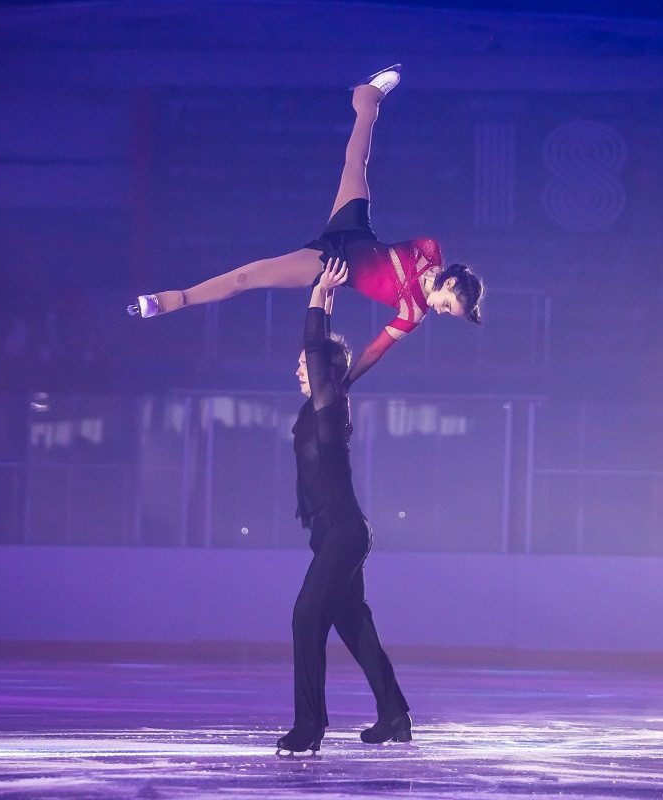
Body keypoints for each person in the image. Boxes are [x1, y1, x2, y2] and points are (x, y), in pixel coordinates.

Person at [129, 64, 485, 386]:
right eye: (448, 305)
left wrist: (345, 384)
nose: (440, 312)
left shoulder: (413, 313)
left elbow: (374, 350)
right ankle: (367, 97)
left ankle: (171, 300)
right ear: (449, 282)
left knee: (247, 278)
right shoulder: (430, 251)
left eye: (447, 312)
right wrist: (415, 275)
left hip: (331, 263)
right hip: (356, 230)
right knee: (356, 163)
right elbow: (409, 253)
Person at [276, 256, 411, 755]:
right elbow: (321, 349)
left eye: (305, 364)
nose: (299, 369)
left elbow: (317, 347)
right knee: (353, 623)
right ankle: (394, 714)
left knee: (305, 617)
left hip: (343, 530)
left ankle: (309, 725)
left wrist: (317, 296)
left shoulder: (330, 403)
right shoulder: (322, 407)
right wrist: (328, 297)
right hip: (335, 531)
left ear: (326, 372)